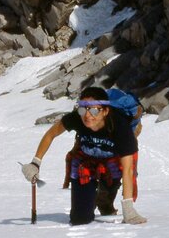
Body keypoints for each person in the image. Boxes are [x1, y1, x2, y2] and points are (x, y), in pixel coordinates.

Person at [22, 87, 147, 226]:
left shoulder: (119, 126)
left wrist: (128, 209)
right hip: (85, 161)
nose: (87, 115)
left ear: (105, 111)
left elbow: (128, 169)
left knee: (108, 192)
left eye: (93, 110)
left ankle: (103, 198)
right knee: (80, 219)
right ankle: (89, 199)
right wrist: (35, 163)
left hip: (113, 162)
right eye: (83, 109)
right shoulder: (77, 118)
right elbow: (51, 134)